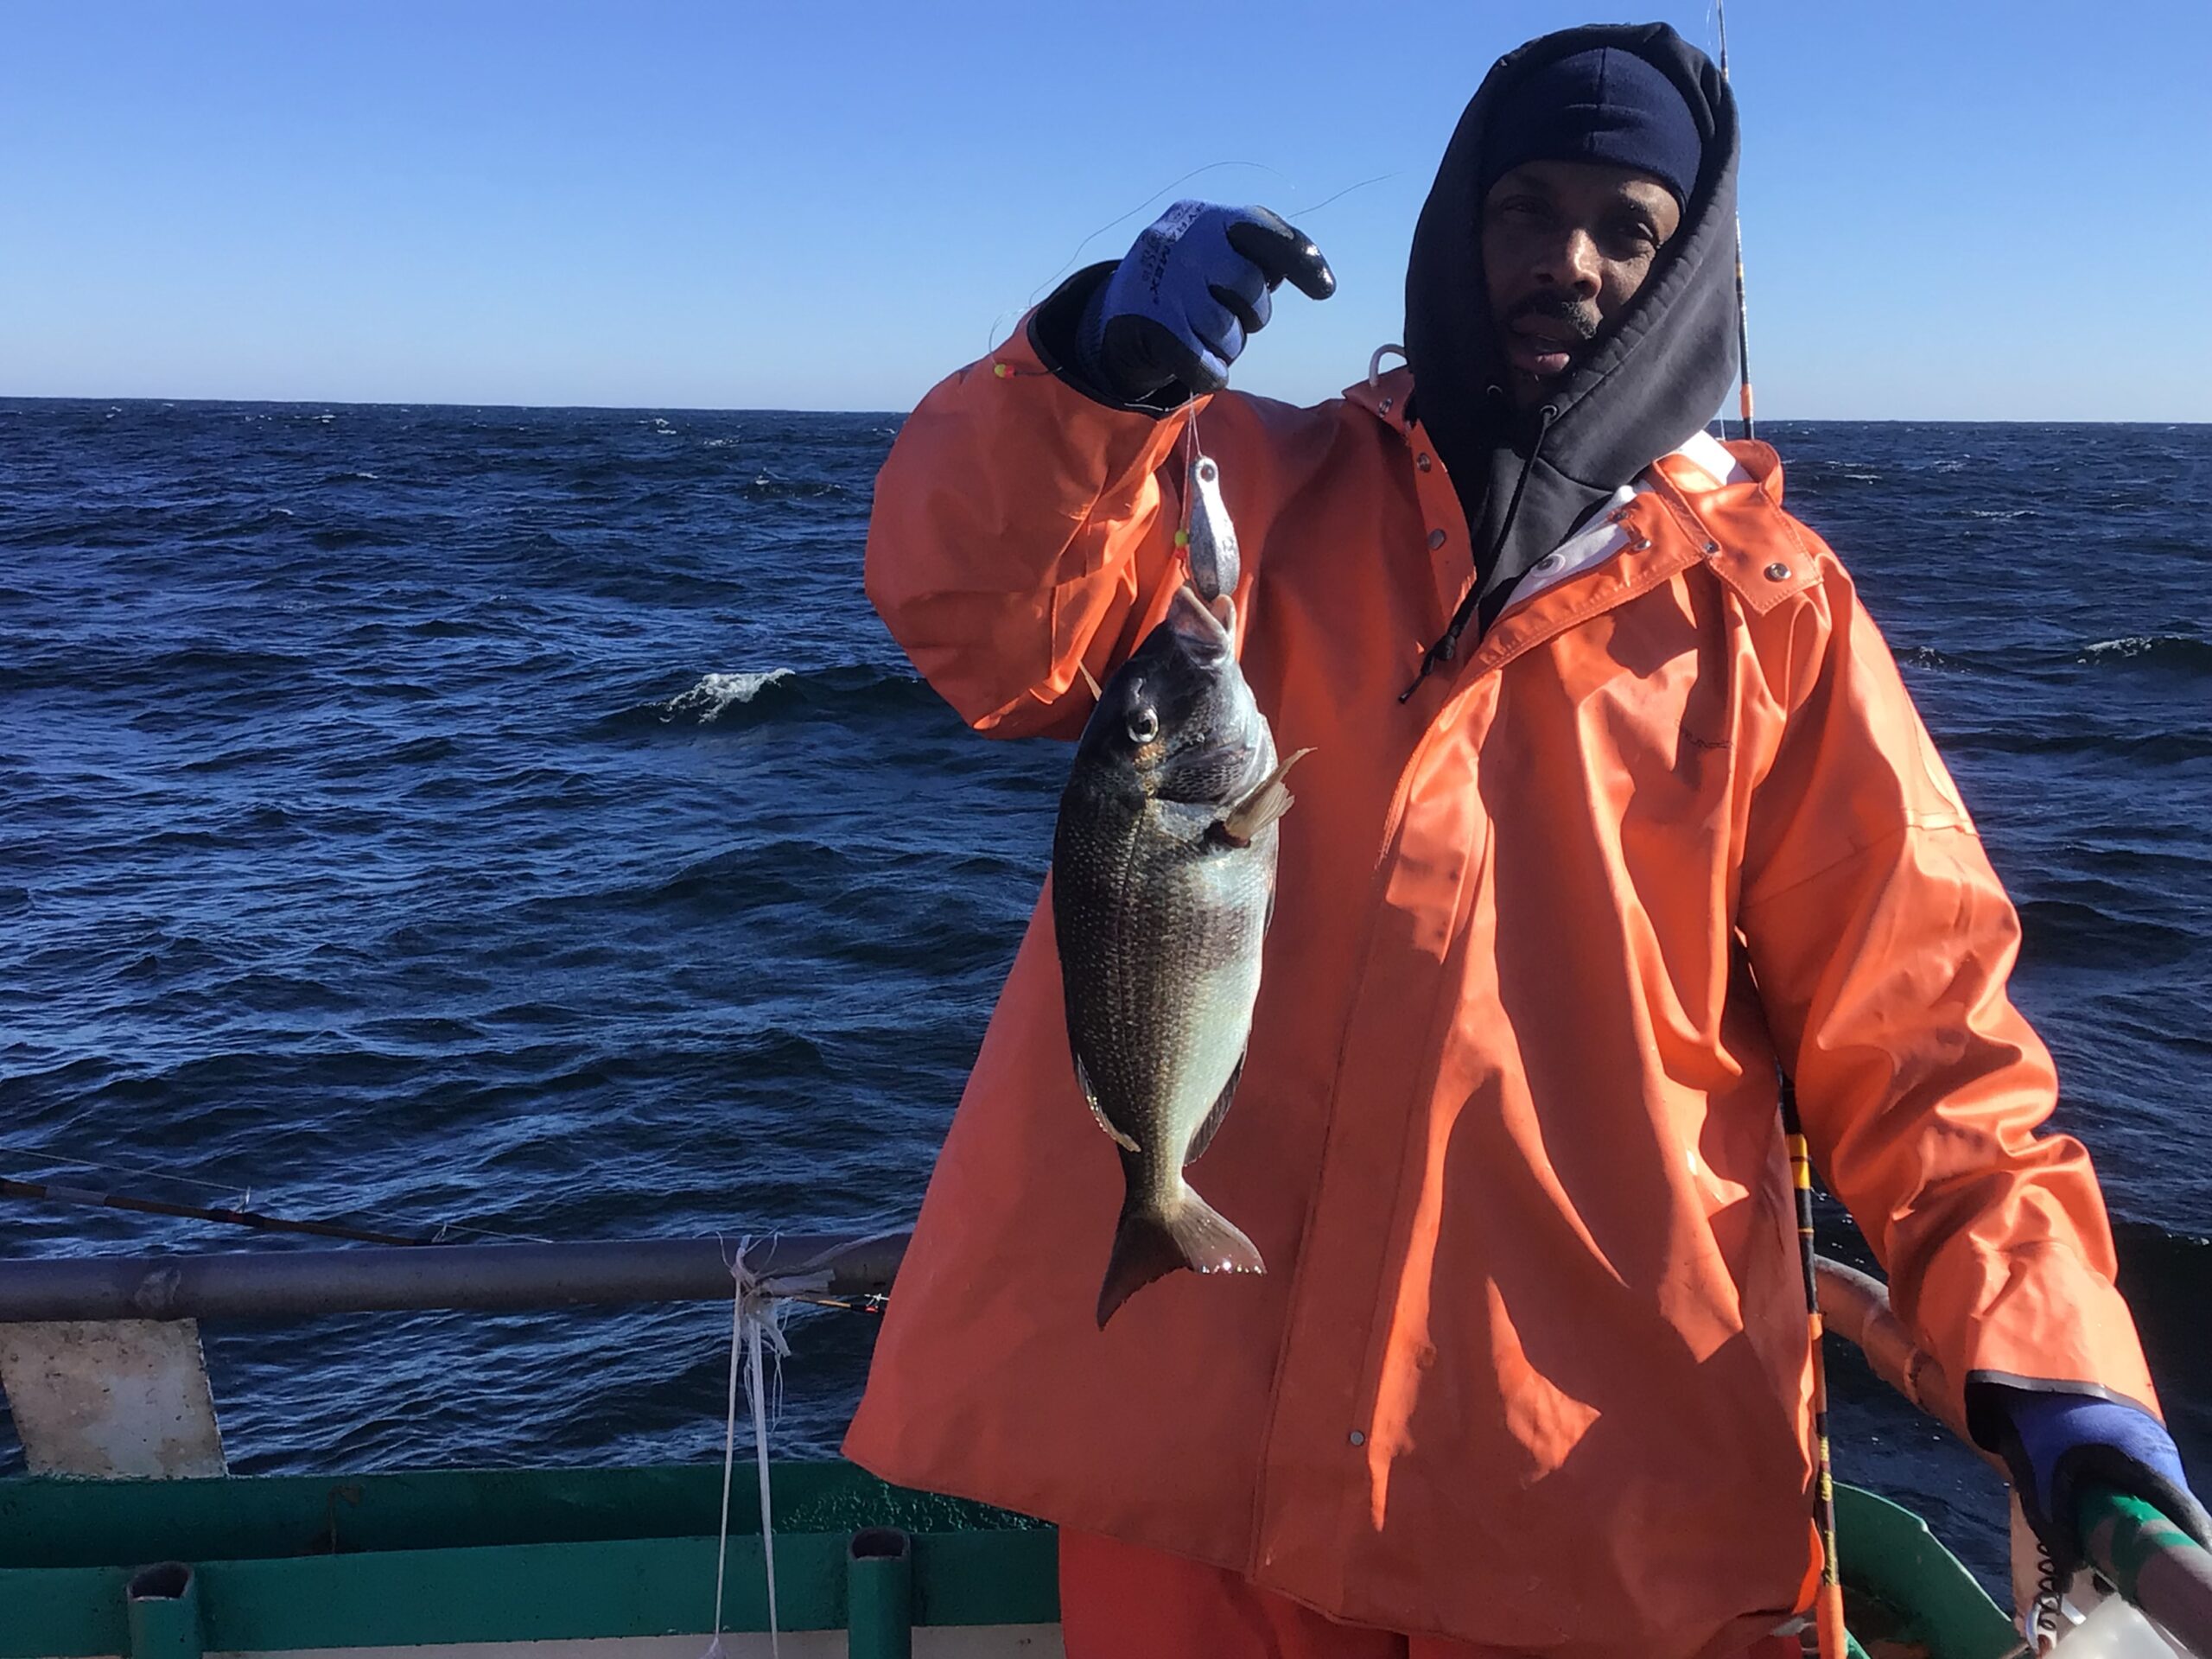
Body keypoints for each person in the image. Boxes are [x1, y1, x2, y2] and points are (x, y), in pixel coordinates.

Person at [843, 21, 2206, 1659]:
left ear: (1683, 272)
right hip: (1193, 1482)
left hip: (1587, 1496)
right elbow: (986, 626)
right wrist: (1089, 370)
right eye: (1525, 210)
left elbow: (1927, 1040)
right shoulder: (1243, 491)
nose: (1567, 260)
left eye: (1627, 227)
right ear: (1455, 231)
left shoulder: (1777, 616)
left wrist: (2053, 1361)